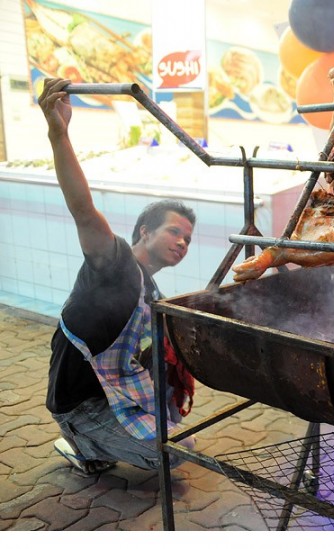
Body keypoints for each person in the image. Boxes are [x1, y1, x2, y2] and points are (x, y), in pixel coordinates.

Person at [39, 78, 196, 476]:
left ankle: (106, 437)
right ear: (145, 230)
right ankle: (81, 443)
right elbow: (83, 210)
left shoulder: (152, 287)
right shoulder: (114, 262)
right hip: (79, 403)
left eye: (188, 239)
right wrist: (59, 133)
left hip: (113, 395)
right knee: (170, 453)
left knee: (183, 437)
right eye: (174, 231)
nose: (182, 242)